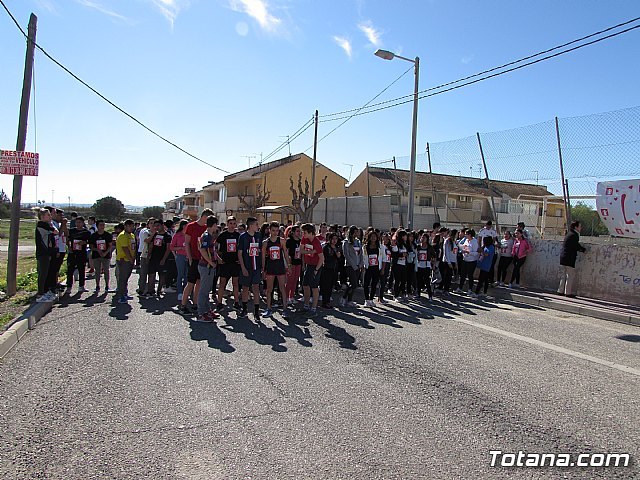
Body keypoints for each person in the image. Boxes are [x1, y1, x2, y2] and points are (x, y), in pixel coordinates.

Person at [180, 209, 213, 313]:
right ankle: (183, 305)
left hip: (203, 260)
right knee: (190, 283)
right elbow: (187, 243)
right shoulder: (191, 226)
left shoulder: (206, 228)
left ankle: (196, 303)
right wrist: (189, 258)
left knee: (199, 283)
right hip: (194, 258)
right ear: (204, 217)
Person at [261, 221, 290, 317]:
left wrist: (288, 266)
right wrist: (263, 269)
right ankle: (268, 308)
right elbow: (263, 257)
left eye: (277, 230)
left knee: (282, 288)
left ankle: (285, 309)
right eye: (273, 230)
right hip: (270, 268)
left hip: (280, 267)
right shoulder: (265, 242)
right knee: (269, 289)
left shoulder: (281, 240)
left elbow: (285, 253)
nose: (275, 232)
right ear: (269, 230)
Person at [195, 215, 221, 322]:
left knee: (207, 290)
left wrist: (218, 259)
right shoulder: (206, 236)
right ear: (214, 225)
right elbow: (202, 250)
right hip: (206, 266)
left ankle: (207, 310)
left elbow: (212, 251)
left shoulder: (210, 236)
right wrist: (211, 262)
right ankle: (201, 313)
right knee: (204, 290)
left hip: (210, 266)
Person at [238, 217, 263, 320]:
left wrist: (262, 266)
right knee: (245, 288)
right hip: (247, 266)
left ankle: (256, 312)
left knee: (256, 288)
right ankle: (244, 309)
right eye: (256, 224)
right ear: (251, 226)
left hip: (256, 267)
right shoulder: (243, 237)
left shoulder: (258, 236)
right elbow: (239, 253)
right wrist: (243, 267)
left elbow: (260, 251)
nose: (258, 226)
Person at [216, 216, 241, 312]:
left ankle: (236, 302)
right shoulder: (222, 235)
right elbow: (215, 248)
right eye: (230, 223)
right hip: (225, 263)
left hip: (235, 263)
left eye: (234, 223)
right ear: (227, 224)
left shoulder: (238, 236)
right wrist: (218, 258)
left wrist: (240, 259)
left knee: (235, 283)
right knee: (222, 283)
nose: (232, 225)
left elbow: (242, 249)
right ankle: (219, 303)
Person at [558, 220, 587, 298]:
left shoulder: (569, 234)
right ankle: (568, 293)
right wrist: (583, 250)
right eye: (579, 226)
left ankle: (560, 291)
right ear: (576, 227)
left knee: (563, 275)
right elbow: (576, 245)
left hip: (563, 257)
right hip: (569, 258)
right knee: (570, 275)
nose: (580, 228)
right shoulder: (575, 235)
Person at [300, 223, 324, 315]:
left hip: (316, 266)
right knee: (305, 285)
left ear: (310, 232)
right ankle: (306, 305)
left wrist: (316, 270)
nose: (303, 234)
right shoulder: (304, 239)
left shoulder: (316, 242)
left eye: (305, 232)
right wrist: (310, 251)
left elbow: (321, 258)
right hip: (308, 265)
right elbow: (301, 250)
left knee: (314, 287)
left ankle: (314, 307)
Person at [35, 208, 57, 303]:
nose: (50, 217)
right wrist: (51, 225)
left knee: (46, 273)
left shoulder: (46, 225)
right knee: (43, 274)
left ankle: (45, 291)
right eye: (48, 215)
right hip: (42, 253)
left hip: (47, 253)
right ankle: (40, 294)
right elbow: (55, 231)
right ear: (43, 216)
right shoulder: (42, 225)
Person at [147, 220, 172, 297]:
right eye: (155, 226)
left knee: (162, 275)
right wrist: (149, 255)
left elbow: (168, 248)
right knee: (151, 274)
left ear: (162, 225)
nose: (156, 227)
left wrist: (164, 259)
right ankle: (150, 291)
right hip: (153, 258)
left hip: (162, 258)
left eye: (158, 225)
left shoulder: (167, 236)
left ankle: (159, 290)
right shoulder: (155, 235)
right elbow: (150, 244)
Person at [66, 216, 91, 293]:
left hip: (82, 253)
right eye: (76, 222)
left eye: (80, 222)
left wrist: (84, 242)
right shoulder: (71, 231)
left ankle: (81, 286)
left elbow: (90, 242)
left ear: (83, 223)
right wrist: (69, 246)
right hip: (72, 252)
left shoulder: (86, 232)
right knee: (70, 270)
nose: (78, 224)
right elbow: (67, 239)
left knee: (81, 269)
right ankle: (69, 286)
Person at [340, 225, 363, 307]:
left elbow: (361, 254)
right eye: (356, 232)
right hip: (350, 266)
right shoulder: (346, 242)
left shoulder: (358, 242)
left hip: (357, 265)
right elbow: (346, 255)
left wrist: (360, 264)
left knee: (354, 284)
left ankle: (349, 300)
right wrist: (354, 265)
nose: (357, 233)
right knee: (354, 284)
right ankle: (344, 297)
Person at [89, 219, 113, 294]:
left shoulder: (108, 235)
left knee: (106, 270)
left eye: (103, 225)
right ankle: (97, 285)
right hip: (96, 255)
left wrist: (105, 253)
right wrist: (97, 250)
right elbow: (91, 246)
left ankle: (107, 285)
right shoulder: (94, 235)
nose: (102, 226)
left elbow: (110, 246)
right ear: (97, 226)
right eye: (101, 225)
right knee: (97, 271)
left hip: (106, 255)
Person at [115, 219, 136, 304]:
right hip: (124, 260)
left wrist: (133, 258)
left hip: (130, 260)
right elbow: (125, 248)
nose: (131, 228)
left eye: (132, 226)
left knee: (126, 278)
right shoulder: (122, 235)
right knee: (122, 278)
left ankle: (124, 293)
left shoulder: (132, 235)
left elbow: (133, 247)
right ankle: (121, 295)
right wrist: (130, 259)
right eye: (129, 226)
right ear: (125, 226)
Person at [47, 208, 68, 294]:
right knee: (53, 268)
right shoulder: (53, 224)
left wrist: (64, 225)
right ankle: (51, 285)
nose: (61, 217)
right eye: (59, 215)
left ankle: (55, 283)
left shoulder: (60, 224)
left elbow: (66, 234)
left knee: (57, 268)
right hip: (56, 249)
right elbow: (58, 234)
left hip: (62, 248)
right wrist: (63, 225)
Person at [320, 232, 341, 309]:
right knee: (326, 286)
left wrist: (338, 256)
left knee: (331, 286)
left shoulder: (336, 247)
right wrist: (336, 255)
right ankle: (325, 302)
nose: (335, 241)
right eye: (333, 239)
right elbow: (326, 258)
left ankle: (327, 301)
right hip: (327, 269)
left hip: (334, 269)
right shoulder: (326, 247)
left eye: (336, 239)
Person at [455, 229, 479, 295]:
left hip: (472, 261)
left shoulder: (474, 242)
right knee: (463, 275)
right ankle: (460, 288)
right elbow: (464, 247)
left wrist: (469, 252)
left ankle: (470, 289)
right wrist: (463, 251)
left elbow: (476, 253)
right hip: (465, 260)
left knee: (470, 275)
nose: (465, 235)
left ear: (470, 235)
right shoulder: (466, 240)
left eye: (466, 234)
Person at [171, 220, 189, 302]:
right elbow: (172, 247)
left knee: (187, 275)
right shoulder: (177, 235)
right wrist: (180, 248)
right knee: (180, 274)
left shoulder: (189, 235)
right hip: (180, 256)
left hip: (188, 256)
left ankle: (186, 292)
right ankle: (180, 292)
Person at [362, 230, 381, 307]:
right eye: (371, 237)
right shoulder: (365, 247)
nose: (373, 238)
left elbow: (381, 257)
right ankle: (366, 300)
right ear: (369, 238)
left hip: (376, 268)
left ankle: (371, 299)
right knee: (366, 284)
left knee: (374, 284)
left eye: (375, 236)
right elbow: (363, 257)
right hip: (368, 267)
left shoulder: (379, 246)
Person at [285, 225, 302, 304]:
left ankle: (291, 296)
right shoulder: (289, 241)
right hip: (291, 263)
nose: (299, 233)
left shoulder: (300, 241)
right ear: (293, 232)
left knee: (295, 280)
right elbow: (286, 252)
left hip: (298, 262)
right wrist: (288, 263)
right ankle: (286, 297)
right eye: (297, 231)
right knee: (289, 281)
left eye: (299, 231)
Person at [137, 218, 154, 296]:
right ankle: (141, 290)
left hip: (153, 256)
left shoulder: (156, 233)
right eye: (151, 223)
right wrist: (153, 234)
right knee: (143, 274)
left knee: (152, 274)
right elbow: (147, 241)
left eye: (154, 223)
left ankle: (151, 290)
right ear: (148, 224)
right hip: (145, 255)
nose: (153, 225)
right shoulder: (145, 232)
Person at [415, 233, 433, 301]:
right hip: (419, 265)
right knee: (419, 281)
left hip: (426, 266)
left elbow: (433, 255)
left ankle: (430, 295)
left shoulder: (429, 247)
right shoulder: (418, 246)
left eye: (424, 238)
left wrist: (432, 264)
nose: (422, 239)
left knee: (427, 281)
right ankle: (418, 294)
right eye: (422, 237)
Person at [440, 229, 457, 295]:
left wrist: (455, 262)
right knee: (447, 276)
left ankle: (446, 289)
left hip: (452, 260)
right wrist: (449, 262)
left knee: (450, 276)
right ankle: (445, 289)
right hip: (447, 261)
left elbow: (454, 252)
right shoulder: (447, 241)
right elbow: (446, 252)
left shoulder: (454, 241)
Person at [378, 233, 392, 304]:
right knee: (382, 281)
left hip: (388, 264)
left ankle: (381, 296)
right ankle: (380, 297)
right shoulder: (380, 246)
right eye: (384, 238)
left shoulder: (389, 247)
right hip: (382, 264)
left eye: (387, 239)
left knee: (384, 281)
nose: (385, 240)